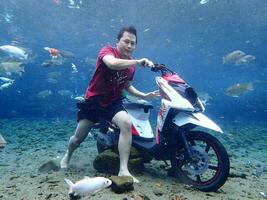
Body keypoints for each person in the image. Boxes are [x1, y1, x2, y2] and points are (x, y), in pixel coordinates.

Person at [60, 26, 159, 183]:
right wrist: (137, 61)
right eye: (126, 41)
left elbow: (127, 86)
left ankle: (123, 170)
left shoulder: (131, 67)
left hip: (112, 102)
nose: (129, 46)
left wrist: (144, 95)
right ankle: (67, 155)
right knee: (77, 139)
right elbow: (112, 64)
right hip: (94, 101)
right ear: (117, 42)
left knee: (126, 123)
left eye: (133, 43)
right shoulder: (107, 51)